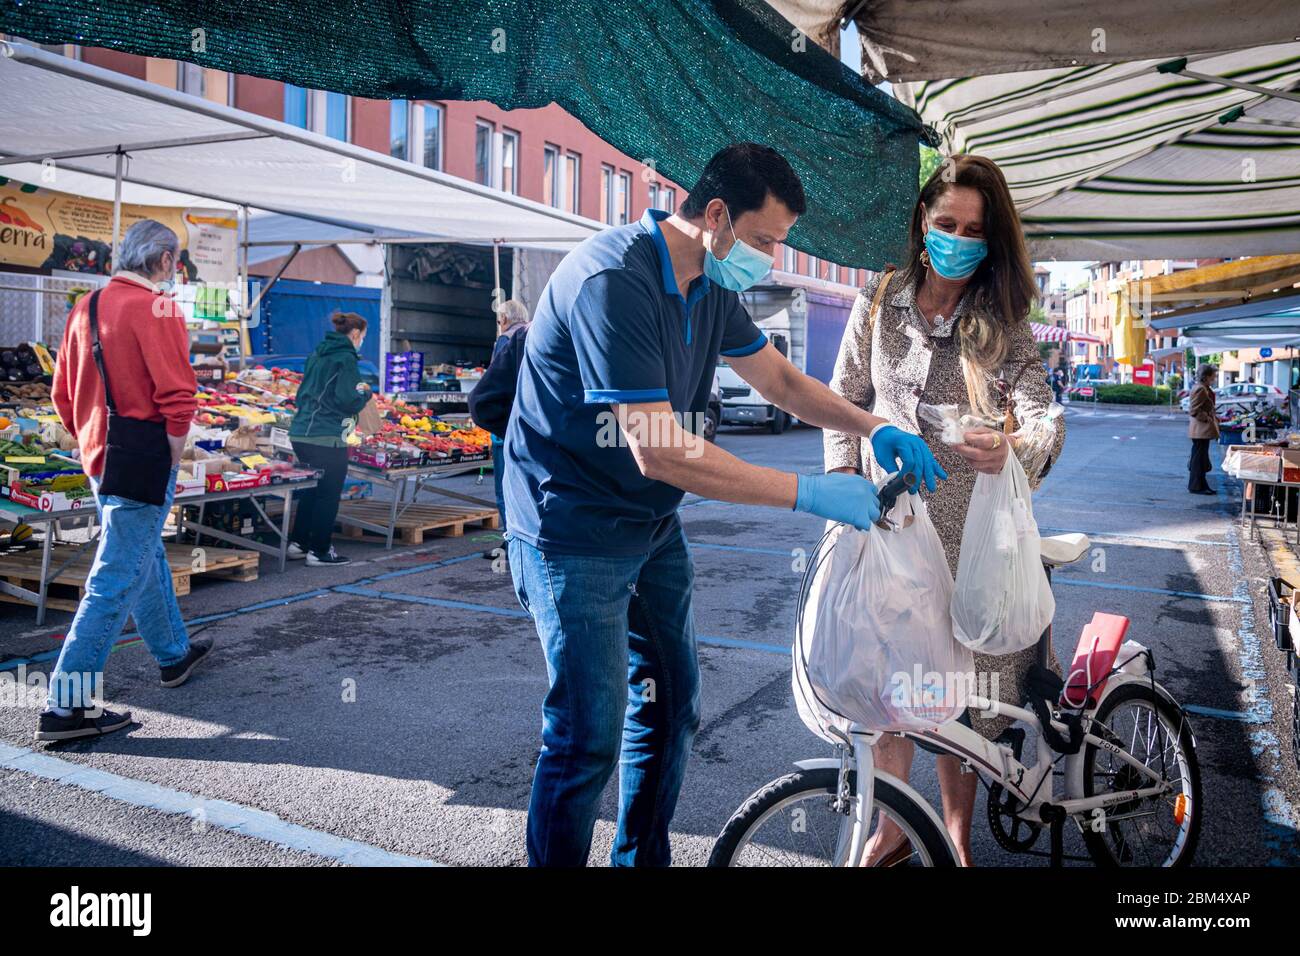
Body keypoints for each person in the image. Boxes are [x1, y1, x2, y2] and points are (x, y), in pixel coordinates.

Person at [503, 142, 946, 867]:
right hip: (572, 530)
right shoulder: (613, 280)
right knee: (586, 736)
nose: (771, 256)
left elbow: (779, 381)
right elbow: (662, 449)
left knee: (671, 710)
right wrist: (811, 492)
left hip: (648, 525)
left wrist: (874, 425)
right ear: (716, 214)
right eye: (766, 238)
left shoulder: (710, 285)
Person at [824, 154, 1066, 866]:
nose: (957, 238)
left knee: (960, 699)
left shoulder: (1003, 322)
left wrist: (1013, 447)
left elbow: (1043, 416)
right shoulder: (880, 299)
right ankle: (894, 828)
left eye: (974, 229)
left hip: (971, 545)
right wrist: (842, 481)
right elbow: (844, 400)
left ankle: (955, 836)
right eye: (946, 223)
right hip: (890, 530)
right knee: (890, 683)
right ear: (922, 223)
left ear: (992, 241)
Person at [39, 219, 211, 741]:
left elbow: (61, 397)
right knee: (115, 576)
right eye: (175, 263)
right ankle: (65, 706)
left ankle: (173, 655)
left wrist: (91, 440)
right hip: (142, 461)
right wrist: (173, 456)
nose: (175, 273)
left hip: (99, 457)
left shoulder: (85, 307)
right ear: (163, 260)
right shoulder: (157, 307)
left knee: (141, 556)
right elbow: (178, 397)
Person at [287, 311, 372, 566]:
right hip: (326, 435)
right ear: (355, 334)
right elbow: (348, 399)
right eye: (363, 337)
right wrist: (365, 395)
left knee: (312, 490)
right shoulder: (345, 358)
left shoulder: (317, 354)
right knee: (328, 493)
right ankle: (320, 551)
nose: (361, 341)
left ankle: (298, 544)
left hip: (300, 433)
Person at [466, 298, 531, 558]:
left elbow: (484, 399)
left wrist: (507, 428)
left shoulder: (508, 341)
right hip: (530, 428)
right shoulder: (537, 335)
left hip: (508, 433)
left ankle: (510, 543)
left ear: (503, 320)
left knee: (506, 491)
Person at [1187, 364, 1219, 495]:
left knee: (1200, 458)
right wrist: (1207, 418)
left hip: (1201, 430)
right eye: (1213, 376)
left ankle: (1201, 485)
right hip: (1200, 430)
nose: (1215, 378)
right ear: (1206, 376)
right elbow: (1193, 410)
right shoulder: (1200, 389)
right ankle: (1196, 486)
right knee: (1199, 459)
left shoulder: (1204, 387)